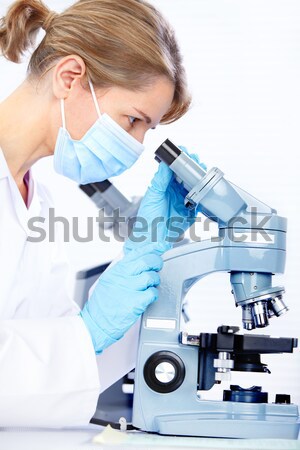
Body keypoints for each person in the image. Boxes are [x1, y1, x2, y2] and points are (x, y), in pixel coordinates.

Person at [0, 0, 199, 427]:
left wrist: (146, 285)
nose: (138, 144)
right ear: (70, 79)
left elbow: (59, 367)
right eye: (132, 120)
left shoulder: (39, 199)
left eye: (148, 129)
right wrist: (89, 329)